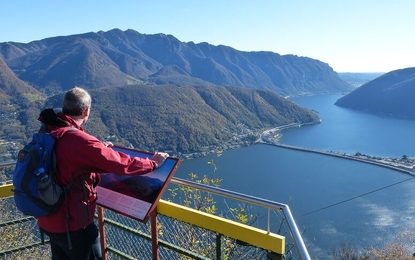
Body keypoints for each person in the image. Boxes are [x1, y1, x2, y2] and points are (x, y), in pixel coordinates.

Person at [37, 87, 168, 260]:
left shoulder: (49, 130)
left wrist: (98, 150)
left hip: (49, 219)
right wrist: (153, 163)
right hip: (74, 224)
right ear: (86, 111)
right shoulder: (79, 140)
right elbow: (121, 164)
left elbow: (70, 163)